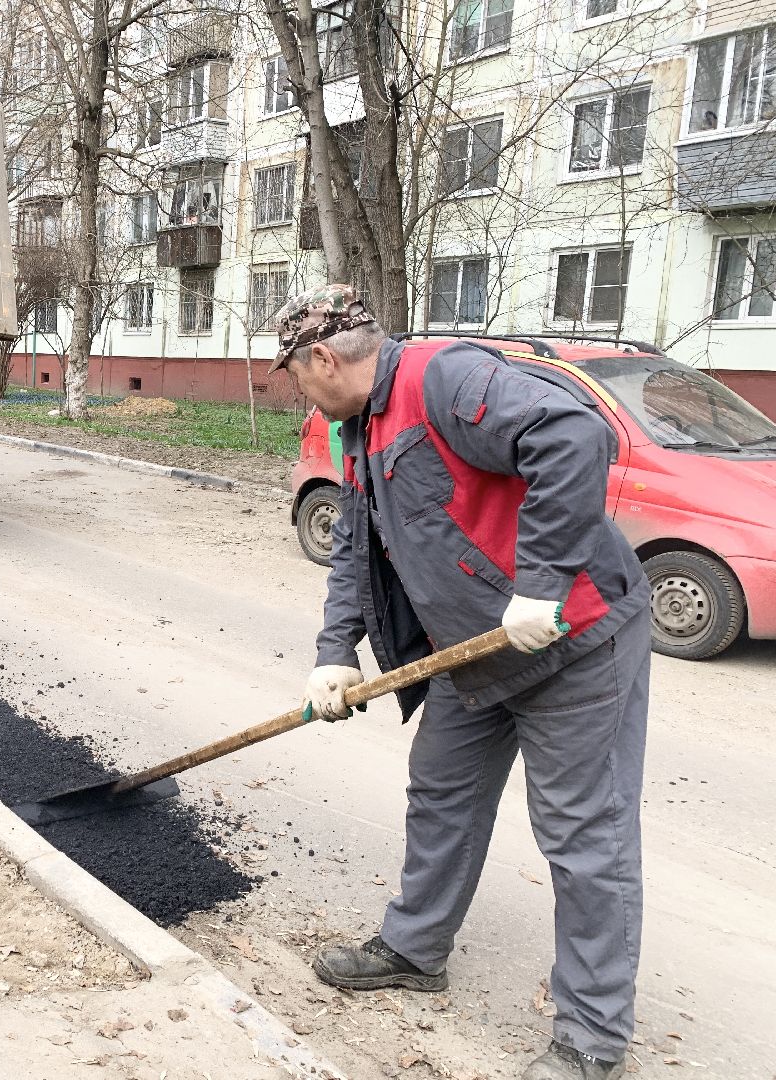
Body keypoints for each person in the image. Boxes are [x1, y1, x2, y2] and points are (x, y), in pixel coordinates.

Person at [269, 285, 650, 1080]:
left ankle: (591, 1038)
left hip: (576, 640)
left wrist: (541, 582)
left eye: (293, 374)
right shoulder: (359, 429)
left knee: (585, 839)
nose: (294, 389)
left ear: (325, 359)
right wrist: (336, 650)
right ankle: (414, 949)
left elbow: (574, 434)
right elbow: (354, 550)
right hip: (474, 653)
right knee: (440, 790)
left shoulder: (445, 378)